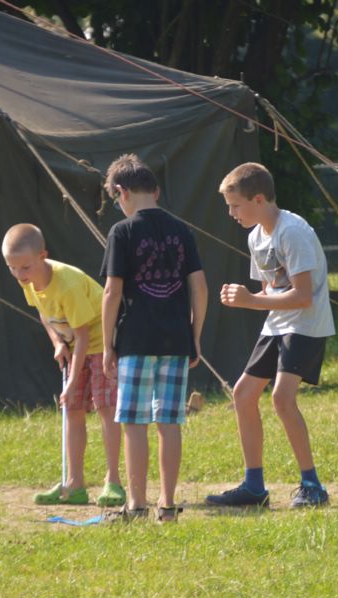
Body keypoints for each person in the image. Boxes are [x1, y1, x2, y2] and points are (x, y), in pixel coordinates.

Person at [206, 162, 334, 509]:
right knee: (243, 394)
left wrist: (249, 300)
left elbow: (304, 295)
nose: (231, 213)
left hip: (306, 323)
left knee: (281, 398)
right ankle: (254, 486)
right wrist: (250, 301)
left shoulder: (291, 232)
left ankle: (312, 485)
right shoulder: (255, 236)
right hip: (278, 323)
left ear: (259, 199)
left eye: (235, 205)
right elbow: (269, 291)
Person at [100, 153, 207, 523]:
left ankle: (136, 505)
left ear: (121, 191)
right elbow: (200, 287)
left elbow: (112, 292)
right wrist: (195, 335)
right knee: (170, 423)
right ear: (157, 191)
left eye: (116, 200)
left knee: (133, 422)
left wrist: (108, 343)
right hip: (176, 339)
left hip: (136, 341)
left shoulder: (122, 232)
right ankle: (168, 505)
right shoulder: (182, 229)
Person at [1, 223, 125, 508]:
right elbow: (45, 314)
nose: (19, 275)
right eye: (12, 268)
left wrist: (70, 383)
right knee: (73, 409)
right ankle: (75, 485)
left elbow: (83, 335)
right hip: (74, 345)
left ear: (43, 255)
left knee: (106, 408)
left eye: (24, 268)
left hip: (99, 341)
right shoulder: (30, 281)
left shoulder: (66, 284)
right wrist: (57, 341)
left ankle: (113, 482)